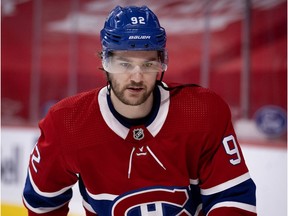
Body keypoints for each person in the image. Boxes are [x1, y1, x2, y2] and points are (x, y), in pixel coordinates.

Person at [22, 5, 257, 216]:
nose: (136, 77)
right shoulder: (67, 123)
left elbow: (233, 197)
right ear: (105, 62)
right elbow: (42, 204)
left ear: (161, 64)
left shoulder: (202, 112)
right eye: (124, 64)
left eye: (147, 64)